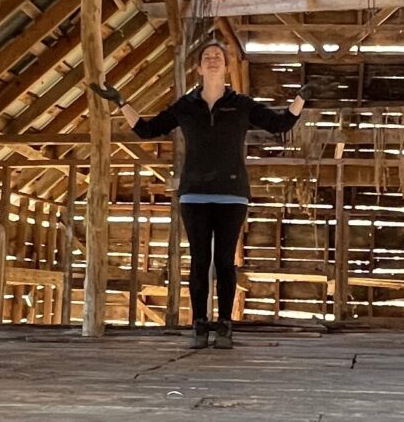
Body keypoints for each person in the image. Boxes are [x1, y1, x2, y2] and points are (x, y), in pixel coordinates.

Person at [127, 42, 304, 349]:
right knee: (199, 259)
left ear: (226, 67)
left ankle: (224, 324)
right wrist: (120, 102)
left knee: (224, 261)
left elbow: (280, 123)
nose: (212, 60)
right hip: (194, 193)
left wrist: (302, 97)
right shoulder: (185, 106)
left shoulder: (241, 104)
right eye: (206, 57)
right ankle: (198, 324)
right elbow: (146, 129)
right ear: (198, 67)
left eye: (218, 57)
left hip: (232, 193)